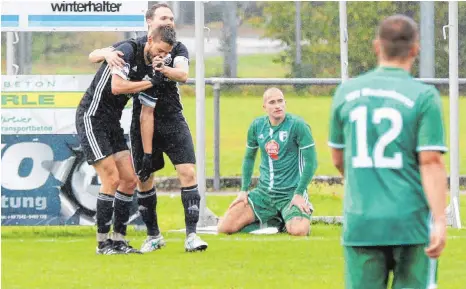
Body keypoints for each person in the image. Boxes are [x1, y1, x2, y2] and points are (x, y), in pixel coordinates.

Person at [328, 15, 448, 289]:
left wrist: (365, 185)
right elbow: (430, 162)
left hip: (362, 220)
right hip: (411, 223)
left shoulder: (346, 92)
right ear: (415, 49)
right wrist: (440, 220)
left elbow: (338, 157)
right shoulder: (423, 96)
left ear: (376, 46)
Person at [88, 3, 208, 253]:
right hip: (125, 119)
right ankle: (140, 237)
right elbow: (119, 85)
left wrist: (163, 70)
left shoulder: (174, 48)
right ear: (149, 24)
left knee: (181, 173)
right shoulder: (135, 49)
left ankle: (190, 236)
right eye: (164, 17)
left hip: (171, 119)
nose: (169, 21)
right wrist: (103, 52)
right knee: (134, 177)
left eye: (172, 18)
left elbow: (184, 75)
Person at [76, 25, 176, 255]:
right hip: (92, 117)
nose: (161, 56)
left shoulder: (154, 63)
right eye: (159, 50)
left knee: (129, 180)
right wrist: (150, 81)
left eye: (165, 54)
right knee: (111, 177)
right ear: (150, 39)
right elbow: (117, 86)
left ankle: (119, 240)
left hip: (112, 123)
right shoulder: (129, 50)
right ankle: (102, 244)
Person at [217, 88, 318, 236]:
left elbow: (312, 162)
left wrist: (299, 193)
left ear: (285, 103)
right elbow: (249, 158)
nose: (277, 105)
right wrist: (244, 190)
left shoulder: (298, 125)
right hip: (263, 194)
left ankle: (291, 218)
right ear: (264, 107)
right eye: (272, 102)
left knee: (299, 231)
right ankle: (275, 222)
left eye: (280, 101)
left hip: (290, 194)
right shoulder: (257, 126)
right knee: (225, 227)